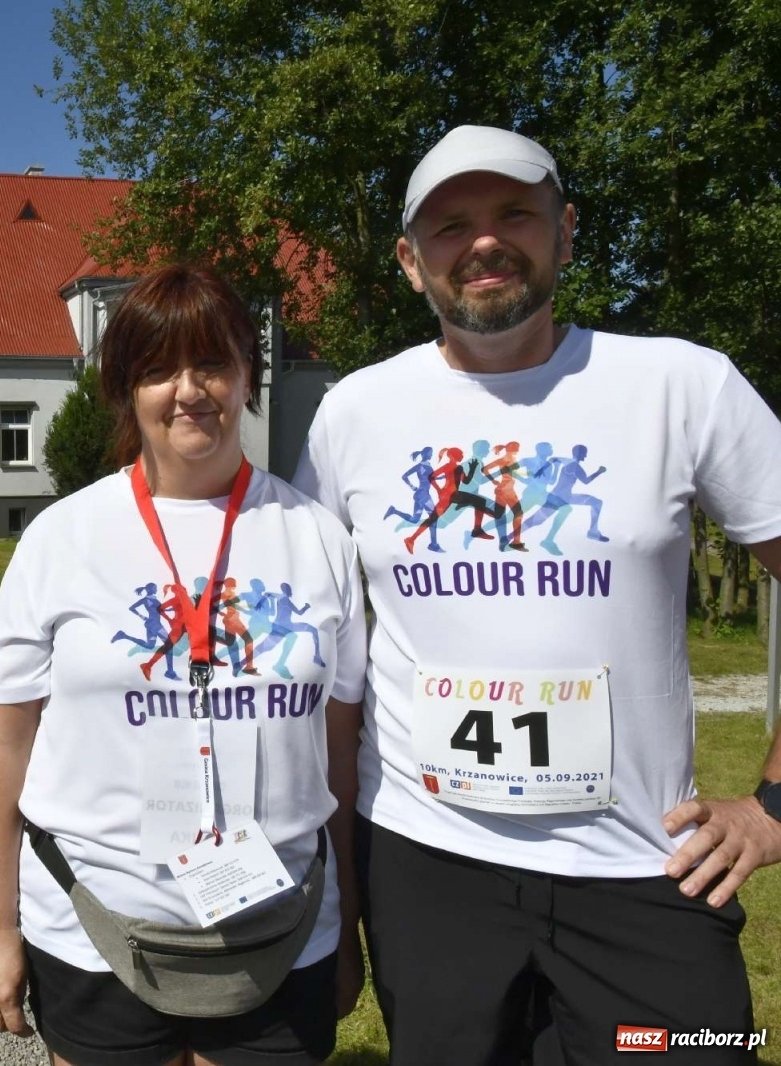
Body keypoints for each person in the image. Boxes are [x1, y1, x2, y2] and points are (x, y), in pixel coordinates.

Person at [293, 124, 781, 1064]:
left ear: (566, 232)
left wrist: (773, 806)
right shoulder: (354, 411)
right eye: (449, 225)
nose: (484, 241)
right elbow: (317, 649)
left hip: (646, 873)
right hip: (426, 874)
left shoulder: (681, 384)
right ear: (408, 260)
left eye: (515, 212)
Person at [0, 263, 367, 1066]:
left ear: (248, 375)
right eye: (157, 370)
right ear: (126, 390)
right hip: (98, 927)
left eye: (212, 363)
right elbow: (2, 742)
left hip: (281, 927)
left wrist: (348, 920)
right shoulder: (62, 537)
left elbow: (339, 755)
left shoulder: (317, 538)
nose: (188, 391)